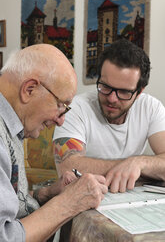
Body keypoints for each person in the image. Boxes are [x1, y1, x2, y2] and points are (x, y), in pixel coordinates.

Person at [0, 44, 108, 242]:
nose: (61, 120)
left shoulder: (12, 125)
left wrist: (46, 193)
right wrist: (70, 202)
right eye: (61, 105)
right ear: (29, 90)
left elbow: (10, 202)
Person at [53, 39, 165, 194]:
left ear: (139, 92)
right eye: (105, 86)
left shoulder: (151, 108)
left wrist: (139, 163)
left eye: (124, 92)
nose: (112, 98)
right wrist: (129, 167)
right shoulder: (76, 108)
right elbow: (67, 167)